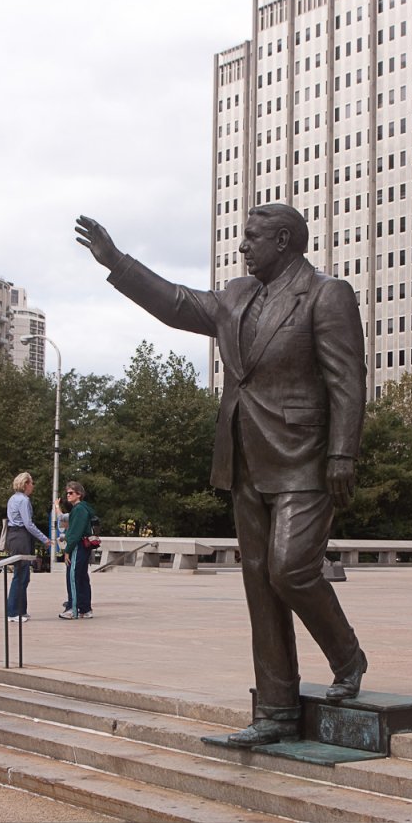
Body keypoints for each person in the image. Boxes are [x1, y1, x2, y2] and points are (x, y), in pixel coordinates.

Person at [76, 204, 367, 746]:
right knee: (259, 584)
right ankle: (276, 710)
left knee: (290, 569)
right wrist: (116, 262)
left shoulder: (327, 294)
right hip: (244, 458)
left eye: (252, 237)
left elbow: (348, 379)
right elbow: (179, 304)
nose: (242, 247)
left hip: (306, 456)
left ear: (284, 240)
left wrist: (343, 455)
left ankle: (347, 655)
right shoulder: (236, 295)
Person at [6, 472, 51, 623]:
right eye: (31, 483)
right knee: (20, 574)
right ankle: (13, 612)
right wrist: (44, 539)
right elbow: (28, 524)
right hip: (21, 536)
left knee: (24, 575)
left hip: (15, 536)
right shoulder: (24, 500)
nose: (33, 486)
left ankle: (21, 610)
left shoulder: (13, 498)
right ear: (25, 484)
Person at [59, 481, 96, 620]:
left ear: (79, 494)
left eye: (71, 493)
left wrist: (67, 550)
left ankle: (72, 609)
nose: (68, 495)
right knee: (82, 577)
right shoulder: (82, 509)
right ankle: (85, 609)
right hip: (83, 546)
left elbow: (75, 532)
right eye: (67, 493)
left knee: (73, 577)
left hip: (78, 546)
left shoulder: (79, 509)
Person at [54, 494, 73, 613]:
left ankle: (72, 603)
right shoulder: (77, 515)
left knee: (71, 578)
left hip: (72, 550)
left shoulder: (70, 517)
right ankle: (74, 601)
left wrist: (56, 505)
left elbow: (61, 517)